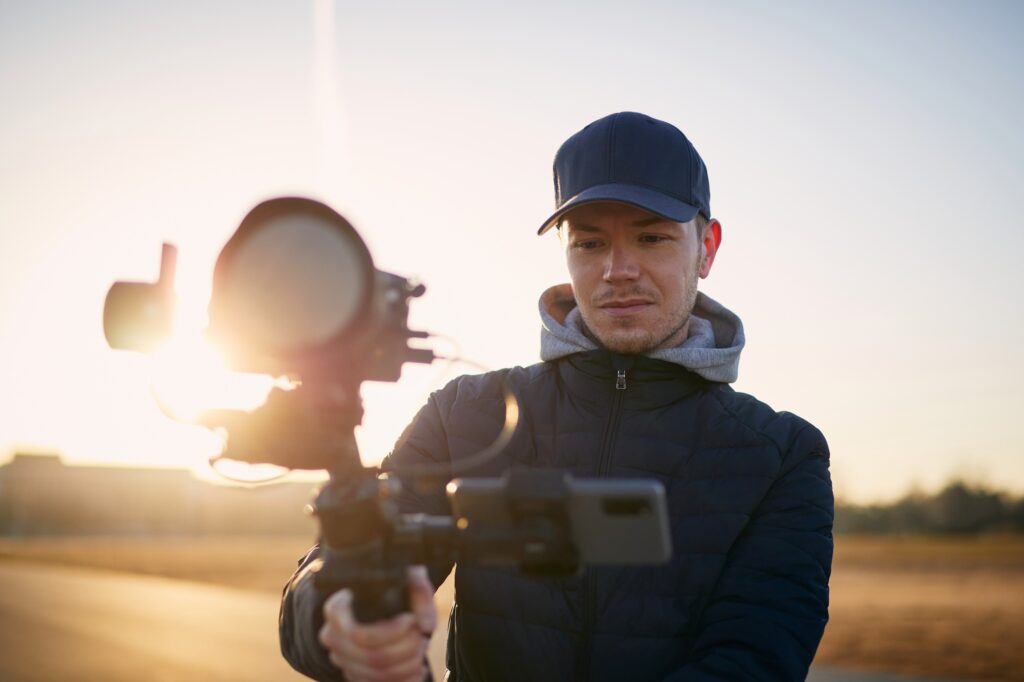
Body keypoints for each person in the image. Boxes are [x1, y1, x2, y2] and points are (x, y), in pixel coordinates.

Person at [280, 111, 834, 681]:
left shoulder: (783, 456)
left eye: (651, 237)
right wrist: (337, 617)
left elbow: (753, 662)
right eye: (590, 242)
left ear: (707, 248)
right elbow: (337, 564)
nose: (618, 270)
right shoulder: (463, 415)